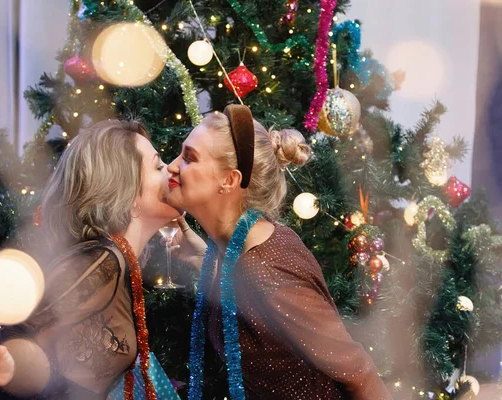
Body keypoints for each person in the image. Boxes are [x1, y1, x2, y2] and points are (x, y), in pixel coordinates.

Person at [166, 105, 392, 399]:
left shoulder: (268, 268)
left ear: (229, 180)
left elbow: (360, 374)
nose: (172, 166)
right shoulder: (232, 248)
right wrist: (200, 258)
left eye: (189, 158)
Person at [0, 120, 180, 399]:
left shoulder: (115, 257)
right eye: (158, 166)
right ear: (126, 188)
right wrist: (11, 365)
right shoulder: (103, 259)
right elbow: (29, 334)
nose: (171, 169)